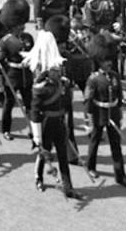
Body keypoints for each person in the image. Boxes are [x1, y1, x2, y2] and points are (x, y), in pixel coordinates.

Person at [25, 29, 83, 199]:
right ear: (49, 72)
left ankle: (68, 187)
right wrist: (37, 136)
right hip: (45, 123)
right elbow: (35, 113)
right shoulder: (40, 88)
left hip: (58, 122)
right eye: (56, 71)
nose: (59, 73)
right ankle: (38, 177)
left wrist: (64, 119)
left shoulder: (61, 84)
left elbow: (64, 105)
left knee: (63, 156)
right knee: (45, 153)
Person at [84, 33, 126, 187]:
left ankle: (120, 175)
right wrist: (90, 121)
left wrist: (119, 115)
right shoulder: (93, 79)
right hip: (99, 114)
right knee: (95, 141)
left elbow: (119, 97)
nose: (109, 63)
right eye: (105, 61)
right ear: (99, 61)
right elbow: (88, 101)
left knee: (116, 145)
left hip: (113, 114)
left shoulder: (114, 76)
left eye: (110, 60)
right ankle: (90, 166)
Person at [0, 0, 34, 140]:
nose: (22, 27)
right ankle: (6, 130)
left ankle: (33, 129)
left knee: (30, 105)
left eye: (22, 25)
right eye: (19, 25)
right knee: (8, 104)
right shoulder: (5, 41)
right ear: (13, 26)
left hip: (26, 75)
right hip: (12, 76)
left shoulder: (28, 38)